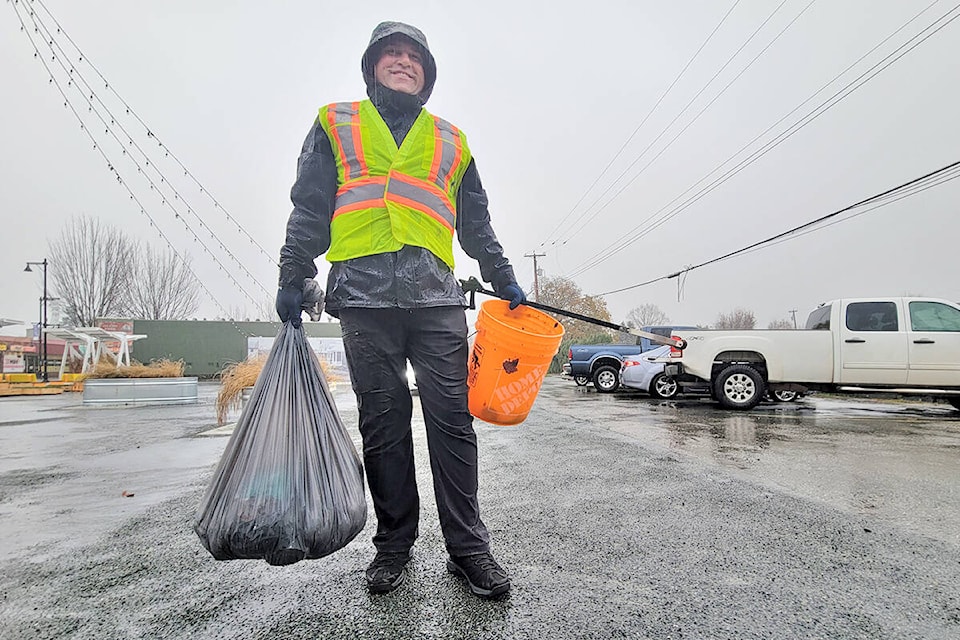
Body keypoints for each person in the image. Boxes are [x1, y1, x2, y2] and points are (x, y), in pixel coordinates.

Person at [275, 21, 526, 599]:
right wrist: (294, 271)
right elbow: (309, 204)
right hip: (363, 299)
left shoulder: (451, 140)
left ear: (427, 73)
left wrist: (503, 274)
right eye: (392, 53)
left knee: (452, 425)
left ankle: (468, 549)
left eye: (414, 56)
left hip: (436, 300)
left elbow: (476, 222)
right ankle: (393, 547)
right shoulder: (336, 123)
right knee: (383, 426)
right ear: (372, 66)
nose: (403, 61)